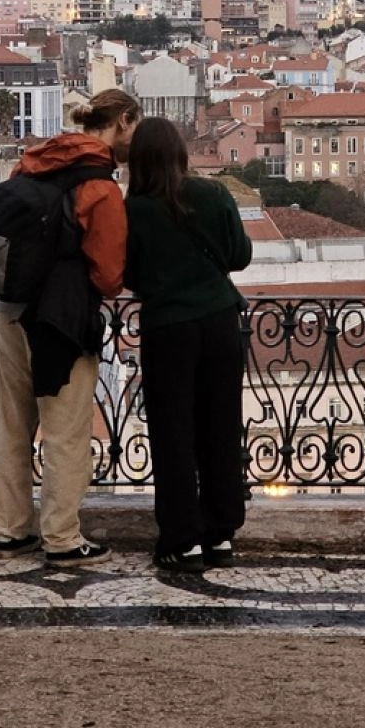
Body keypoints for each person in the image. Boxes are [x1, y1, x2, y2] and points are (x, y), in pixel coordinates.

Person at [0, 88, 141, 565]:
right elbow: (110, 276)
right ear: (124, 121)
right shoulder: (99, 187)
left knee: (12, 424)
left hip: (9, 308)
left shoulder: (34, 162)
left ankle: (9, 531)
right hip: (62, 319)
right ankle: (61, 537)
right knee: (65, 431)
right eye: (134, 129)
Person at [124, 117, 252, 572]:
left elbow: (128, 274)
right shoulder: (213, 194)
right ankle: (221, 533)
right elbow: (239, 256)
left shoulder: (133, 209)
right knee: (220, 425)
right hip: (219, 321)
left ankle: (183, 538)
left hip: (168, 327)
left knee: (172, 431)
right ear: (181, 152)